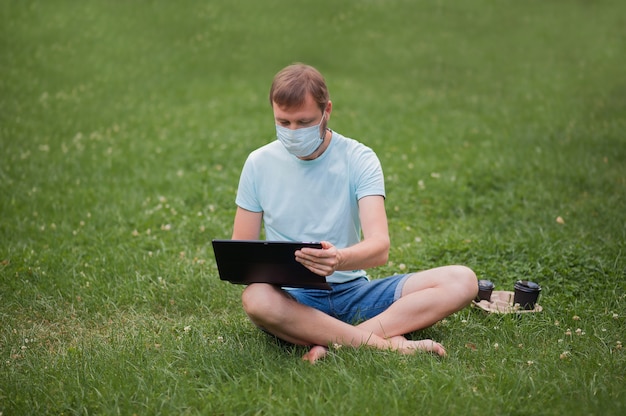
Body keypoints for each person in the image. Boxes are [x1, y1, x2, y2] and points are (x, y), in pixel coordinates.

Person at [231, 63, 478, 363]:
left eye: (304, 122)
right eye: (283, 122)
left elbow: (380, 248)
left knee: (462, 280)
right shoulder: (258, 163)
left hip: (355, 292)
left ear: (327, 111)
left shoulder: (359, 158)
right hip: (294, 300)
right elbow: (241, 255)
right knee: (256, 298)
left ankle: (330, 341)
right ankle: (383, 342)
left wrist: (338, 260)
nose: (293, 132)